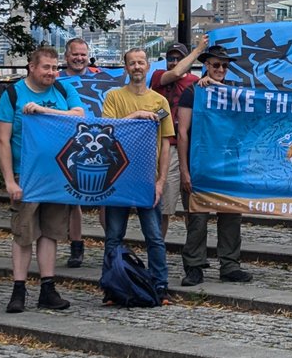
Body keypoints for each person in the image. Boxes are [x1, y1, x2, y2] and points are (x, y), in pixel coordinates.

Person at [0, 46, 84, 313]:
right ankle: (19, 289)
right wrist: (10, 180)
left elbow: (79, 116)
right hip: (27, 174)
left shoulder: (63, 91)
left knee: (51, 233)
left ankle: (48, 287)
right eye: (46, 67)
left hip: (57, 174)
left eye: (55, 67)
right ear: (31, 67)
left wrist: (44, 112)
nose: (52, 72)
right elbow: (3, 140)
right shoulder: (13, 94)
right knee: (24, 234)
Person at [100, 47, 175, 304]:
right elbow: (107, 131)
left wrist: (161, 180)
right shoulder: (113, 97)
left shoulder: (159, 101)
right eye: (132, 63)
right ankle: (111, 288)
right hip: (118, 177)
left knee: (154, 236)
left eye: (141, 62)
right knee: (114, 235)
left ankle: (160, 286)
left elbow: (166, 143)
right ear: (125, 68)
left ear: (148, 66)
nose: (137, 67)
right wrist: (136, 116)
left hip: (147, 178)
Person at [177, 45, 254, 285]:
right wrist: (183, 170)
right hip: (199, 166)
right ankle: (194, 266)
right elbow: (182, 132)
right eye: (215, 65)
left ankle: (230, 264)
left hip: (228, 166)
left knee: (231, 216)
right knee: (197, 219)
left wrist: (217, 86)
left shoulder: (232, 92)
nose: (220, 69)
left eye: (224, 66)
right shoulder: (193, 93)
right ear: (206, 66)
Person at [149, 36, 208, 239]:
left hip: (190, 146)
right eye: (170, 58)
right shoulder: (158, 76)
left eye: (178, 58)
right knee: (164, 204)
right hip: (166, 144)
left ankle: (194, 248)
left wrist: (208, 81)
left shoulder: (195, 83)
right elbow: (175, 73)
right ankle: (158, 246)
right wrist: (198, 50)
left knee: (192, 204)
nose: (174, 62)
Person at [60, 37, 99, 267]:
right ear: (66, 56)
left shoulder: (100, 77)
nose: (79, 58)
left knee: (108, 199)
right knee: (73, 199)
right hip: (69, 143)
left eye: (83, 54)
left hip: (98, 141)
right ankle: (76, 246)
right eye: (75, 54)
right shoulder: (56, 80)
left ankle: (113, 245)